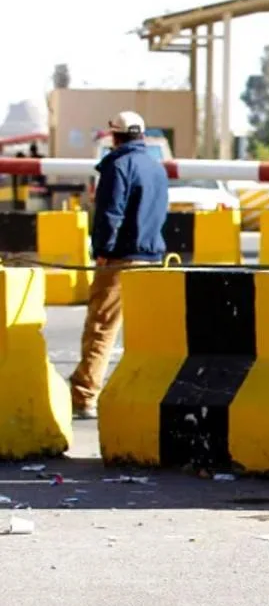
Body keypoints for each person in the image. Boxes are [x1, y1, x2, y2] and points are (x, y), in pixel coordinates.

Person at [69, 111, 168, 419]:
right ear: (142, 135)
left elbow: (110, 214)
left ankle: (85, 395)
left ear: (114, 136)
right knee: (145, 334)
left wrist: (102, 251)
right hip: (152, 258)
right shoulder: (156, 167)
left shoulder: (118, 165)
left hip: (120, 258)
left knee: (101, 327)